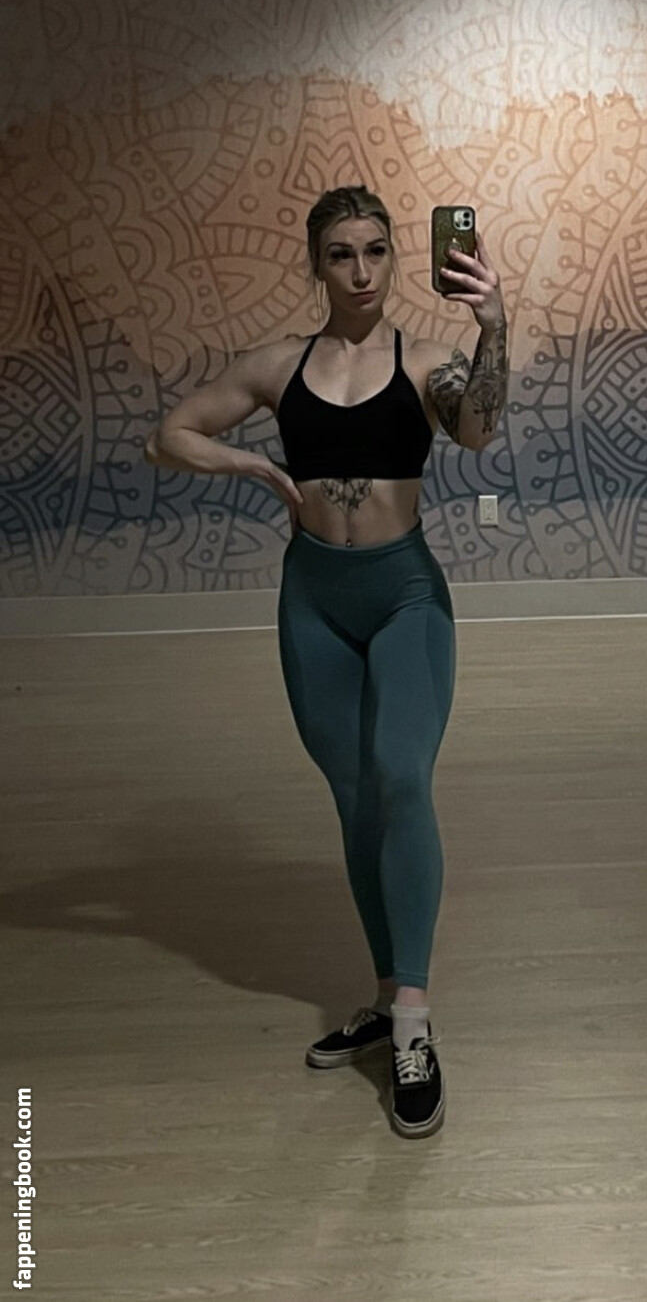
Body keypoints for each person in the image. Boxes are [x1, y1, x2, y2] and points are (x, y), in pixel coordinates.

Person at [145, 184, 507, 1139]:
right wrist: (254, 467)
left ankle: (415, 1019)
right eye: (341, 253)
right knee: (354, 797)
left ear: (394, 257)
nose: (360, 270)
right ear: (318, 264)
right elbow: (169, 434)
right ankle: (387, 996)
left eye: (376, 251)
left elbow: (479, 430)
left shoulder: (426, 362)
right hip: (314, 598)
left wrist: (493, 324)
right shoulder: (278, 366)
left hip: (404, 596)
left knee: (401, 775)